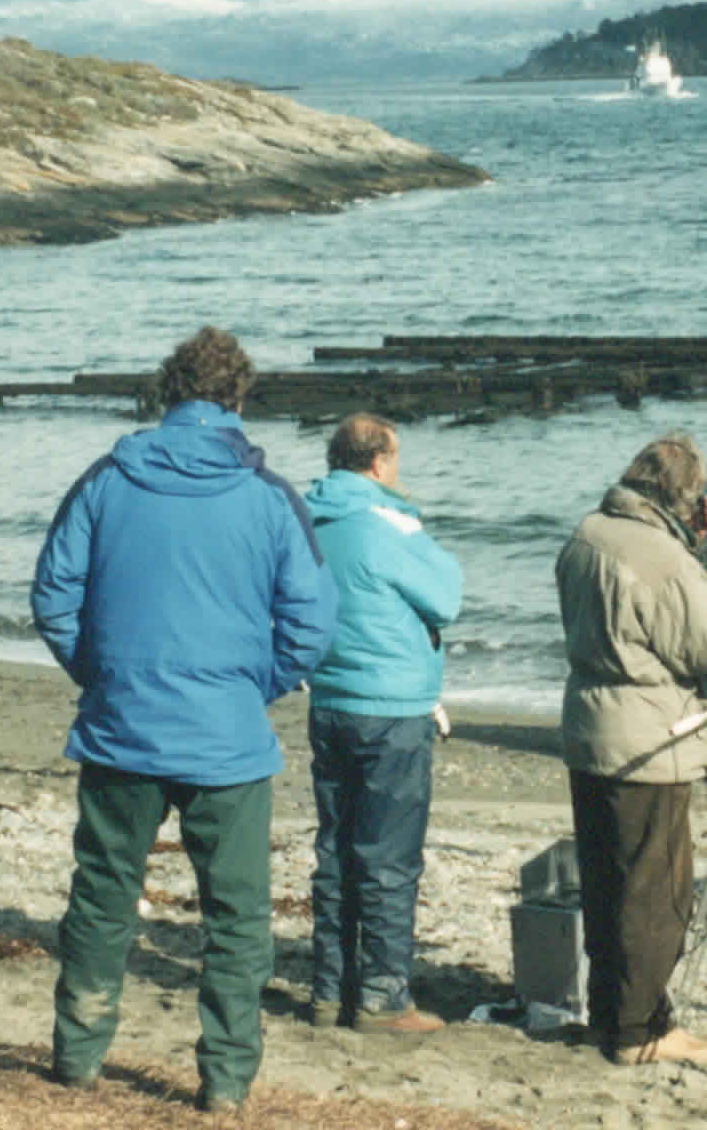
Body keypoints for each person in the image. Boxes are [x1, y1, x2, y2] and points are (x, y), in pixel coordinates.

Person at [30, 326, 338, 1112]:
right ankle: (226, 1082)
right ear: (238, 399)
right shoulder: (269, 497)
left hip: (125, 725)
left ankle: (78, 1057)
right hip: (223, 740)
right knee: (236, 921)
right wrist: (251, 685)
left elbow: (54, 597)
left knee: (102, 899)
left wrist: (104, 672)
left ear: (169, 391)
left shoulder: (107, 479)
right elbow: (311, 626)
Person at [555, 432, 707, 1066]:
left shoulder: (587, 533)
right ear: (687, 499)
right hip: (648, 740)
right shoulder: (665, 559)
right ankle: (639, 1032)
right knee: (657, 893)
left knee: (608, 883)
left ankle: (613, 1014)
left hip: (591, 727)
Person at [301, 414, 463, 1033]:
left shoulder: (310, 520)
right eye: (395, 460)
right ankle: (382, 996)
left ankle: (328, 989)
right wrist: (412, 525)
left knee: (337, 849)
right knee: (388, 857)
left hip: (332, 698)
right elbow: (447, 597)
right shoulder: (387, 524)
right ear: (377, 464)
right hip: (390, 706)